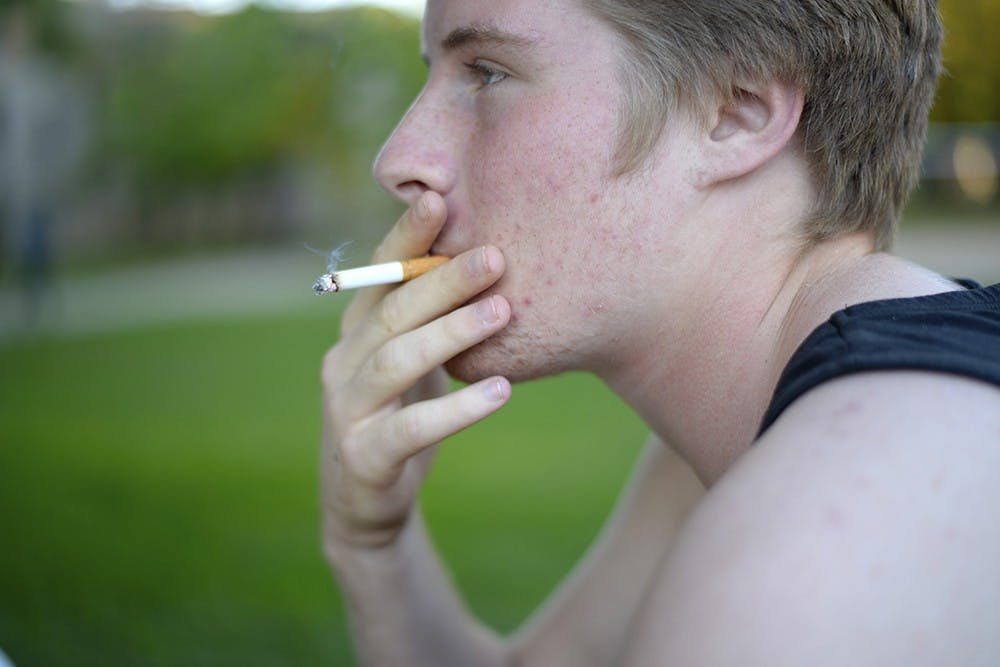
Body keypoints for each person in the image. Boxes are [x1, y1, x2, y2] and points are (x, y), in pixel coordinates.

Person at [319, 1, 1000, 664]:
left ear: (738, 111)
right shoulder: (765, 439)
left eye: (486, 72)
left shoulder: (805, 557)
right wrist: (374, 546)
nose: (399, 157)